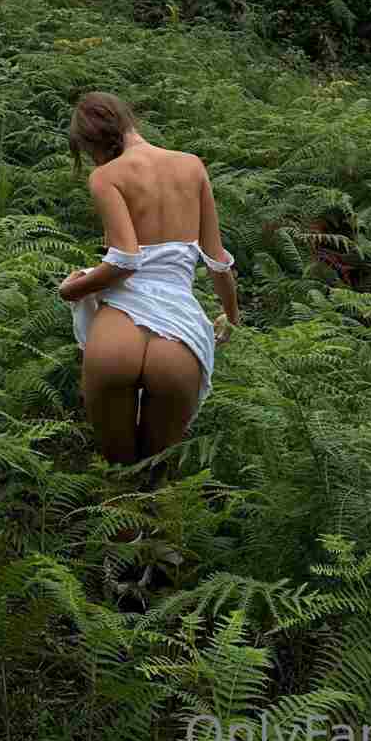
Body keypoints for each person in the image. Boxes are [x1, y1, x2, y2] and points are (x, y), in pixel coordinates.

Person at [58, 91, 240, 468]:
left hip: (118, 332)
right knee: (155, 474)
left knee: (117, 470)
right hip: (178, 331)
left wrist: (71, 289)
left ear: (91, 143)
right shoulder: (192, 166)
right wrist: (231, 316)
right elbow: (218, 262)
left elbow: (125, 260)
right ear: (128, 118)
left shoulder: (106, 176)